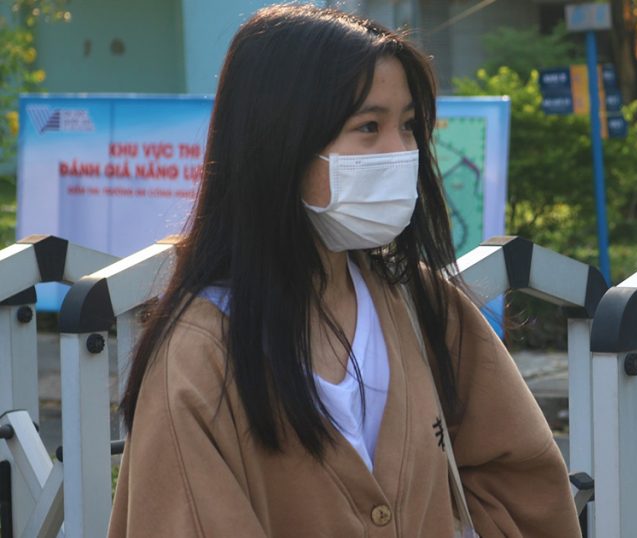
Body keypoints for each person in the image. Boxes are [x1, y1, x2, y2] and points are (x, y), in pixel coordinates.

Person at [109, 5, 581, 537]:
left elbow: (523, 478)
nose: (400, 152)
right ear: (280, 142)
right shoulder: (198, 358)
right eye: (368, 127)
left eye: (408, 126)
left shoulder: (421, 302)